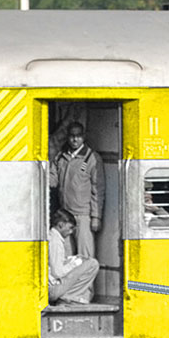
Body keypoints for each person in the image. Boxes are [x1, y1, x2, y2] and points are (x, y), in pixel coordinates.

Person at [48, 121, 102, 258]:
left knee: (85, 255)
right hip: (65, 214)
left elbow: (98, 189)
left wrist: (96, 217)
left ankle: (88, 281)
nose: (75, 139)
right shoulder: (61, 157)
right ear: (67, 136)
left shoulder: (92, 158)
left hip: (83, 215)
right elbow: (53, 181)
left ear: (84, 136)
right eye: (72, 136)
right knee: (66, 255)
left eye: (78, 136)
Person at [46, 209, 99, 305]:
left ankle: (68, 297)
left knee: (85, 262)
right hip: (54, 289)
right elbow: (57, 273)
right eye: (70, 228)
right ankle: (68, 297)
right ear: (61, 225)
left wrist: (69, 261)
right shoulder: (56, 242)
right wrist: (74, 264)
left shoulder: (52, 237)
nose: (71, 232)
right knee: (92, 264)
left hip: (51, 287)